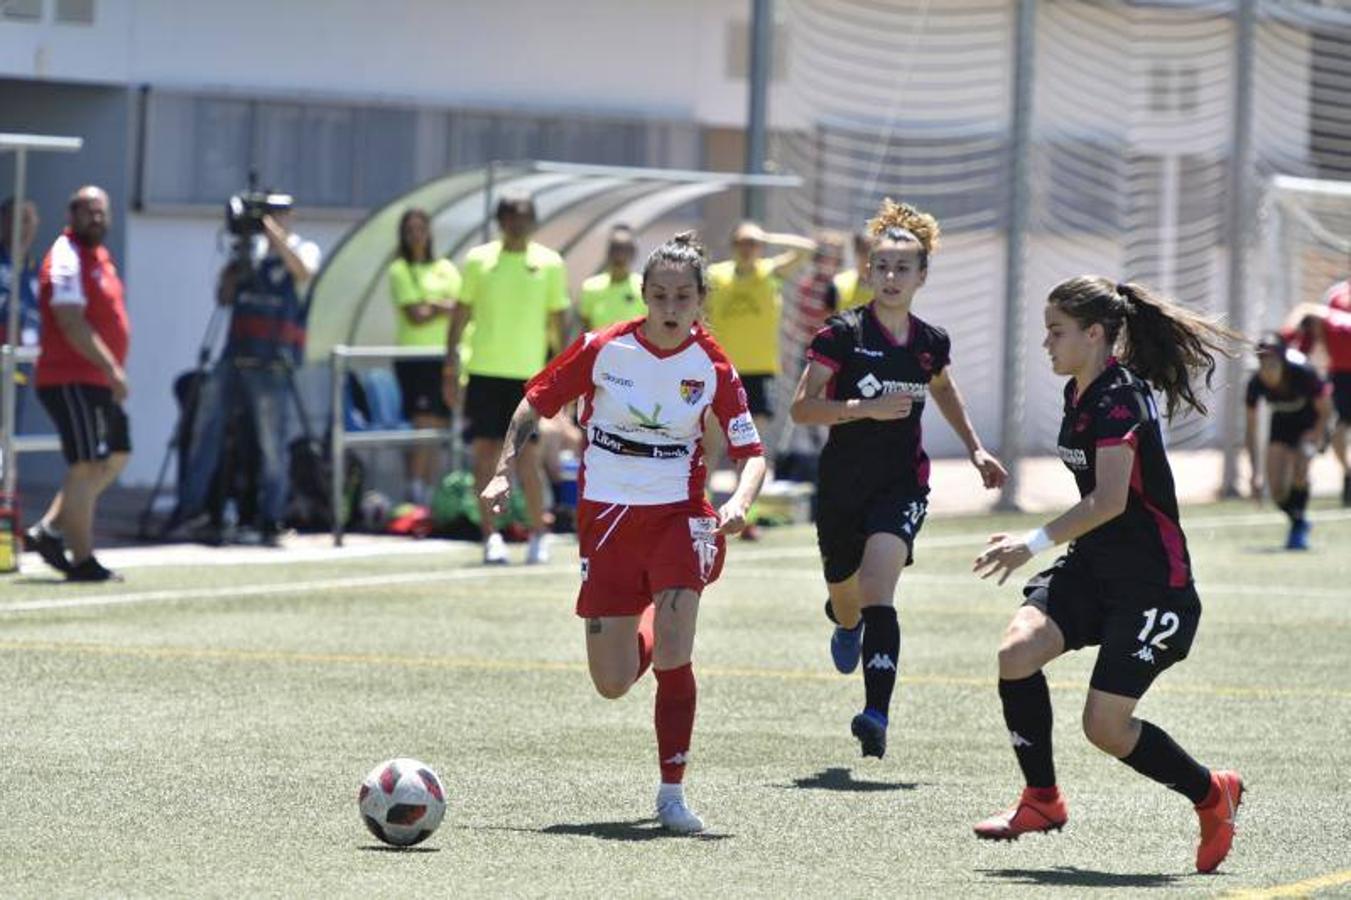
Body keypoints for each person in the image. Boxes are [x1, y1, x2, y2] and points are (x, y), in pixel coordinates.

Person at [481, 232, 767, 834]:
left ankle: (671, 793)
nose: (670, 307)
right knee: (611, 683)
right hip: (606, 515)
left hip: (680, 515)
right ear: (642, 296)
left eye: (682, 297)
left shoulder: (712, 363)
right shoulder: (603, 348)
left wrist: (739, 500)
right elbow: (534, 403)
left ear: (699, 302)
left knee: (675, 652)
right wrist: (504, 469)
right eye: (659, 295)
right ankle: (648, 618)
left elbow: (753, 451)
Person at [970, 276, 1244, 874]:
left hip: (1154, 585)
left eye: (1056, 331)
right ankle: (1041, 801)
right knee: (1017, 652)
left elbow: (1110, 501)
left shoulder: (1119, 398)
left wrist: (1031, 542)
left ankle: (1210, 793)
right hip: (1094, 569)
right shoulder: (1079, 390)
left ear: (1095, 335)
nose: (1046, 343)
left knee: (1104, 727)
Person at [789, 198, 1006, 758]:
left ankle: (876, 712)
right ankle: (843, 623)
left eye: (903, 269)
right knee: (847, 599)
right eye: (882, 267)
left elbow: (943, 389)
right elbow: (802, 409)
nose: (891, 277)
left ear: (922, 276)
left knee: (877, 590)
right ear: (868, 271)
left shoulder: (930, 342)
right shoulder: (841, 334)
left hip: (900, 486)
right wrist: (862, 409)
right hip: (842, 488)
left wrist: (977, 449)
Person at [176, 206, 321, 546]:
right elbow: (224, 298)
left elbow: (302, 273)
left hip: (272, 363)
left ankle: (270, 518)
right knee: (204, 432)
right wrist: (237, 260)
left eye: (278, 214)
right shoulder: (249, 253)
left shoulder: (303, 248)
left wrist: (276, 239)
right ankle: (193, 511)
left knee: (272, 446)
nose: (270, 222)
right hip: (234, 356)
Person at [442, 194, 569, 565]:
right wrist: (450, 367)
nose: (518, 223)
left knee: (527, 459)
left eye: (525, 216)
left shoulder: (550, 263)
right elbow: (461, 314)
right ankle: (490, 537)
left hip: (527, 380)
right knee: (483, 455)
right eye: (511, 216)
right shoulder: (479, 260)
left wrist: (562, 377)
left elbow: (558, 322)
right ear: (500, 220)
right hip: (483, 373)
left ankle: (538, 534)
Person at [25, 187, 130, 581]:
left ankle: (50, 529)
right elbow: (70, 321)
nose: (96, 219)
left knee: (116, 453)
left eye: (101, 211)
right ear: (72, 215)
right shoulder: (66, 256)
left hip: (98, 379)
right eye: (88, 212)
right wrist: (111, 367)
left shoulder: (99, 257)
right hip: (72, 376)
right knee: (86, 464)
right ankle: (82, 560)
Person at [388, 208, 461, 505]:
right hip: (415, 359)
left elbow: (460, 306)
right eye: (410, 230)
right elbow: (416, 315)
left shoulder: (445, 266)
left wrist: (433, 304)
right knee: (423, 423)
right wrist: (439, 306)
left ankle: (429, 490)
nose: (416, 235)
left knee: (439, 425)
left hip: (443, 356)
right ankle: (415, 489)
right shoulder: (400, 269)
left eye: (421, 228)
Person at [1244, 333, 1330, 549]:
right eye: (1263, 362)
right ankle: (1299, 521)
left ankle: (1298, 531)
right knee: (1276, 490)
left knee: (1301, 469)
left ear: (1283, 360)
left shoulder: (1302, 372)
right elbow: (1251, 429)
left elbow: (1325, 408)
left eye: (1273, 361)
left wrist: (1318, 435)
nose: (1268, 368)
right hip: (1281, 424)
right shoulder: (1255, 384)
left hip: (1310, 422)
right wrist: (1255, 474)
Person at [0, 198, 41, 424]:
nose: (22, 227)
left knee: (10, 437)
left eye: (28, 220)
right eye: (17, 219)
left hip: (21, 365)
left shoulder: (35, 268)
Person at [1319, 276, 1351, 504]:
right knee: (1341, 426)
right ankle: (1348, 473)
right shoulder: (1336, 295)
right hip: (1341, 373)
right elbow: (1322, 325)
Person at [578, 225, 645, 330]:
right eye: (615, 248)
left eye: (625, 249)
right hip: (600, 346)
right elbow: (586, 327)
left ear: (633, 253)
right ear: (608, 253)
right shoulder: (590, 287)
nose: (619, 255)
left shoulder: (645, 287)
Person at [826, 230, 874, 313]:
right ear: (856, 252)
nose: (868, 257)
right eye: (864, 250)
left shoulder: (890, 290)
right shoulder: (838, 284)